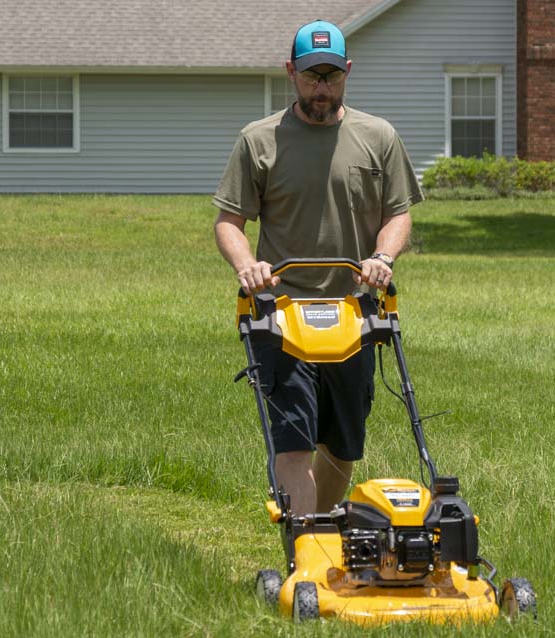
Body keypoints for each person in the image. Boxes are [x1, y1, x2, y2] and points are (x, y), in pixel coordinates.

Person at [213, 19, 423, 516]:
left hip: (355, 311)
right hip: (283, 313)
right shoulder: (259, 140)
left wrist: (383, 258)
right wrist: (248, 266)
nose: (321, 88)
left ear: (348, 72)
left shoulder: (379, 136)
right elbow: (228, 221)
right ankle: (304, 545)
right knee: (294, 443)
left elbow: (399, 213)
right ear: (291, 72)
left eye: (331, 76)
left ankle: (323, 536)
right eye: (311, 76)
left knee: (342, 443)